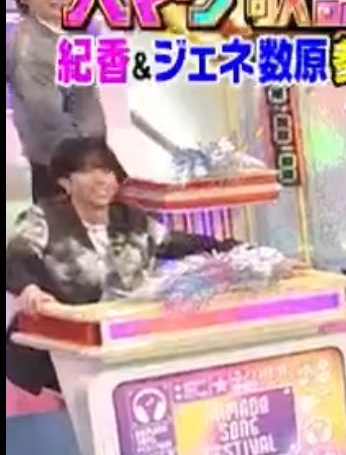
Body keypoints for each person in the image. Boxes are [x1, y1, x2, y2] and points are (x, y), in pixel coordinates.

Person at [6, 137, 221, 394]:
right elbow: (17, 255)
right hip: (64, 352)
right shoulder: (44, 217)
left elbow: (179, 243)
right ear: (65, 183)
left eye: (107, 171)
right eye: (88, 171)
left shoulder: (131, 218)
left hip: (128, 343)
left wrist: (238, 252)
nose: (102, 180)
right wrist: (29, 288)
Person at [6, 0, 106, 203]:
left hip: (87, 154)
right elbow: (47, 115)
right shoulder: (27, 48)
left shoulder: (72, 33)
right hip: (60, 164)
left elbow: (84, 99)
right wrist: (81, 165)